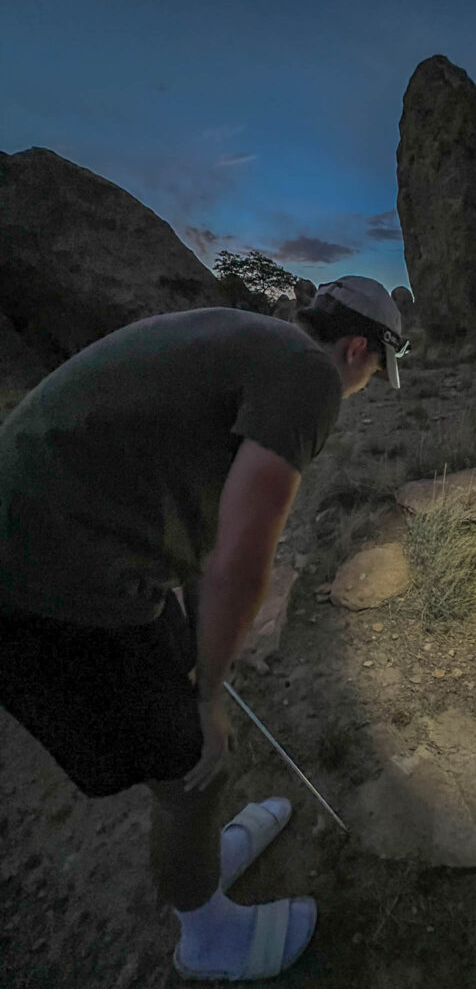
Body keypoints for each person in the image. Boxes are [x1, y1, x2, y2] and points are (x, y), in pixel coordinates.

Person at [0, 276, 409, 981]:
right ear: (355, 348)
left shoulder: (249, 338)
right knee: (191, 759)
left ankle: (203, 859)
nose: (369, 384)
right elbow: (240, 563)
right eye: (377, 371)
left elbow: (200, 520)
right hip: (41, 583)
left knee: (192, 725)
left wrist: (198, 662)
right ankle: (206, 936)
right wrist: (212, 694)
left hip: (66, 537)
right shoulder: (309, 378)